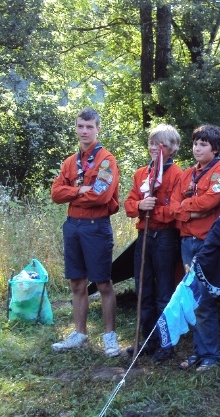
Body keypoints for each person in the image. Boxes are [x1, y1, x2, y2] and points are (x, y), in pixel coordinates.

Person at [50, 107, 121, 356]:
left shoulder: (107, 160)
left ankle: (110, 337)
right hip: (72, 226)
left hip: (96, 227)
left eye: (89, 127)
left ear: (97, 129)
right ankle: (79, 334)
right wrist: (79, 190)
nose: (84, 131)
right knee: (77, 282)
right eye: (80, 126)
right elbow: (55, 194)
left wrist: (72, 193)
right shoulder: (70, 162)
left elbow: (101, 195)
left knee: (103, 283)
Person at [170, 124, 220, 372]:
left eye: (203, 144)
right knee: (192, 298)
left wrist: (186, 208)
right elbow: (173, 204)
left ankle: (211, 355)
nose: (197, 148)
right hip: (187, 241)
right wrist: (191, 210)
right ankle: (198, 352)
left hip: (208, 244)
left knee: (205, 300)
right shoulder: (187, 173)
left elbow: (209, 202)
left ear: (215, 149)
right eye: (195, 143)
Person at [124, 123, 183, 363]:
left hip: (166, 237)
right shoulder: (141, 173)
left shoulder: (177, 174)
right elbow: (129, 205)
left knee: (164, 291)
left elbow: (174, 211)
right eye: (151, 143)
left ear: (172, 149)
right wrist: (140, 205)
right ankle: (147, 340)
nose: (154, 148)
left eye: (161, 145)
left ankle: (166, 343)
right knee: (143, 288)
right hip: (144, 236)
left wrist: (153, 210)